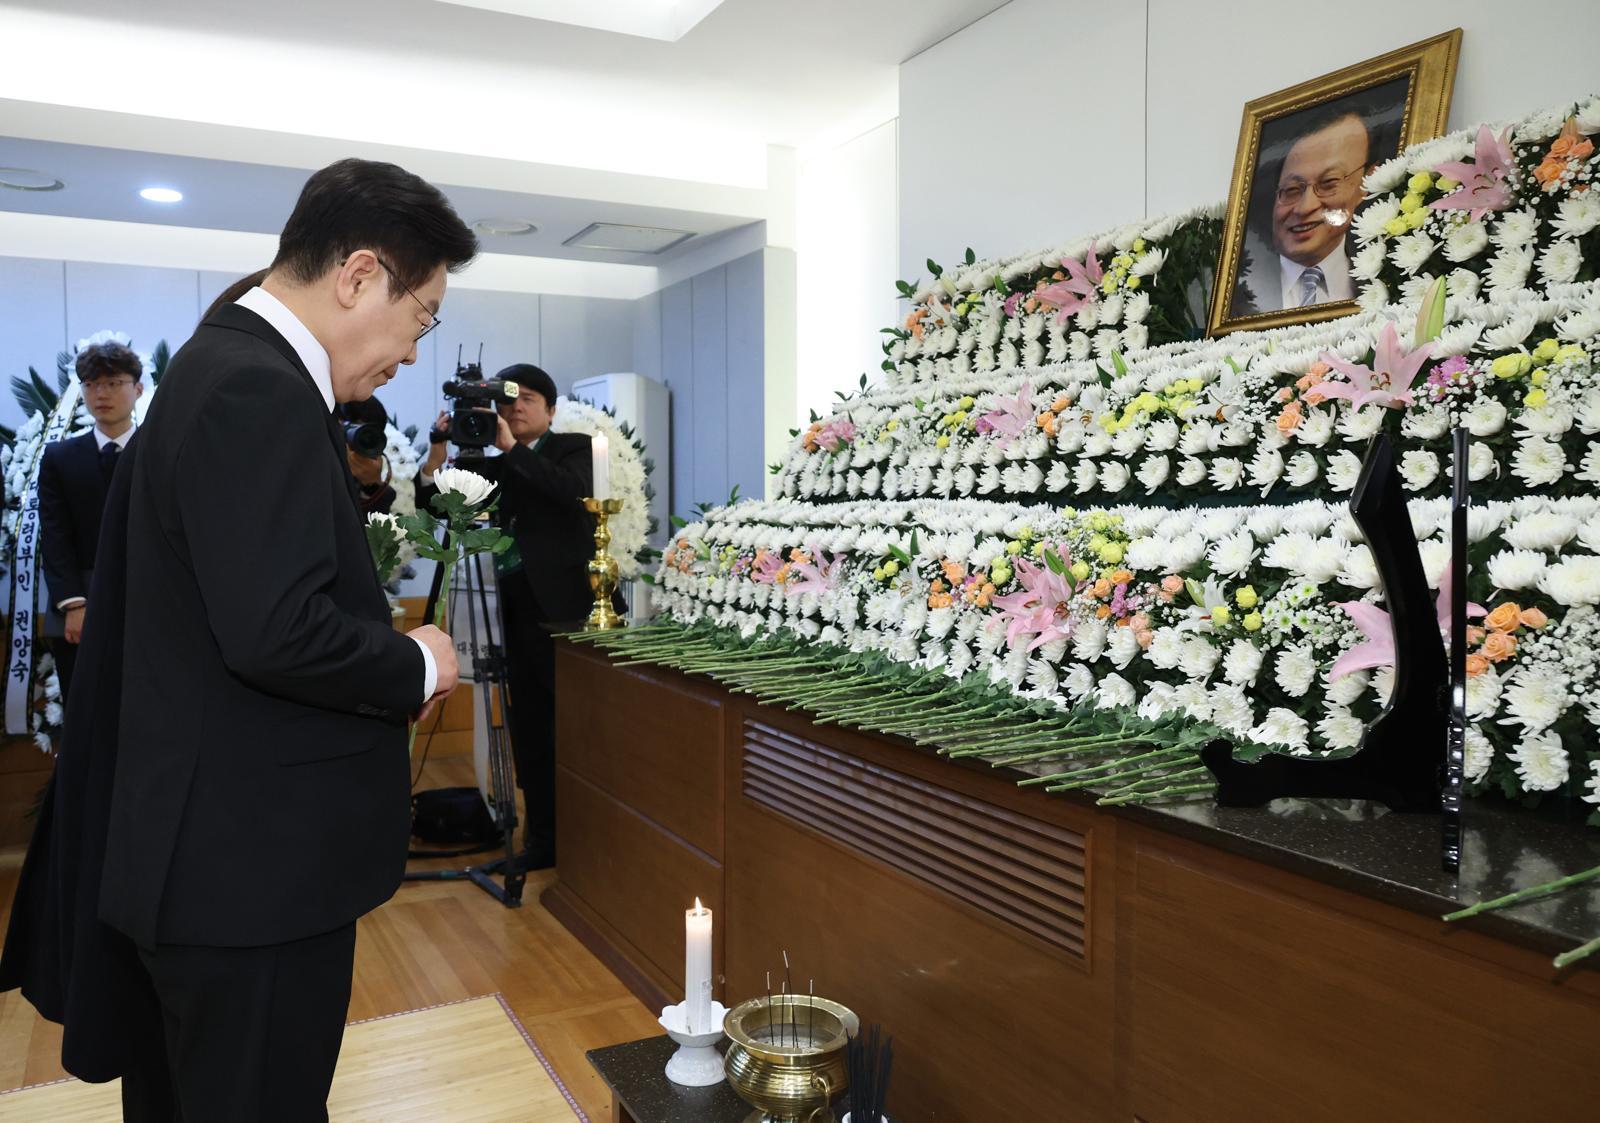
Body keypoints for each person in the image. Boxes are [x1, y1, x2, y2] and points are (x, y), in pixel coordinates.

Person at [20, 156, 475, 1122]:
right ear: (358, 276)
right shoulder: (253, 390)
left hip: (202, 865)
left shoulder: (217, 368)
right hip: (244, 878)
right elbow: (275, 631)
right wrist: (416, 660)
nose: (410, 350)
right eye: (421, 315)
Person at [420, 363, 596, 871]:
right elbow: (436, 504)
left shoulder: (574, 448)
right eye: (506, 403)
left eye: (528, 400)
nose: (515, 409)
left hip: (569, 617)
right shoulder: (498, 464)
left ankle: (589, 839)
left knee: (575, 730)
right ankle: (544, 843)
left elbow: (569, 491)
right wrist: (439, 447)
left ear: (551, 409)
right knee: (534, 733)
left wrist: (513, 450)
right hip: (516, 614)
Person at [38, 341, 143, 698]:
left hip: (152, 605)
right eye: (92, 384)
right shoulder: (59, 457)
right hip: (81, 606)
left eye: (114, 383)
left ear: (138, 388)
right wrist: (74, 604)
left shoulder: (158, 451)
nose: (102, 393)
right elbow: (54, 534)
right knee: (86, 711)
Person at [1234, 107, 1375, 316]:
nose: (1305, 207)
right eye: (1291, 190)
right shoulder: (1231, 293)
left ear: (1368, 181)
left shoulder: (1388, 277)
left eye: (1328, 183)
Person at [336, 397, 398, 515]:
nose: (360, 439)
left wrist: (371, 486)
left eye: (368, 433)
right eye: (353, 430)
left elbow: (372, 530)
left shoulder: (383, 495)